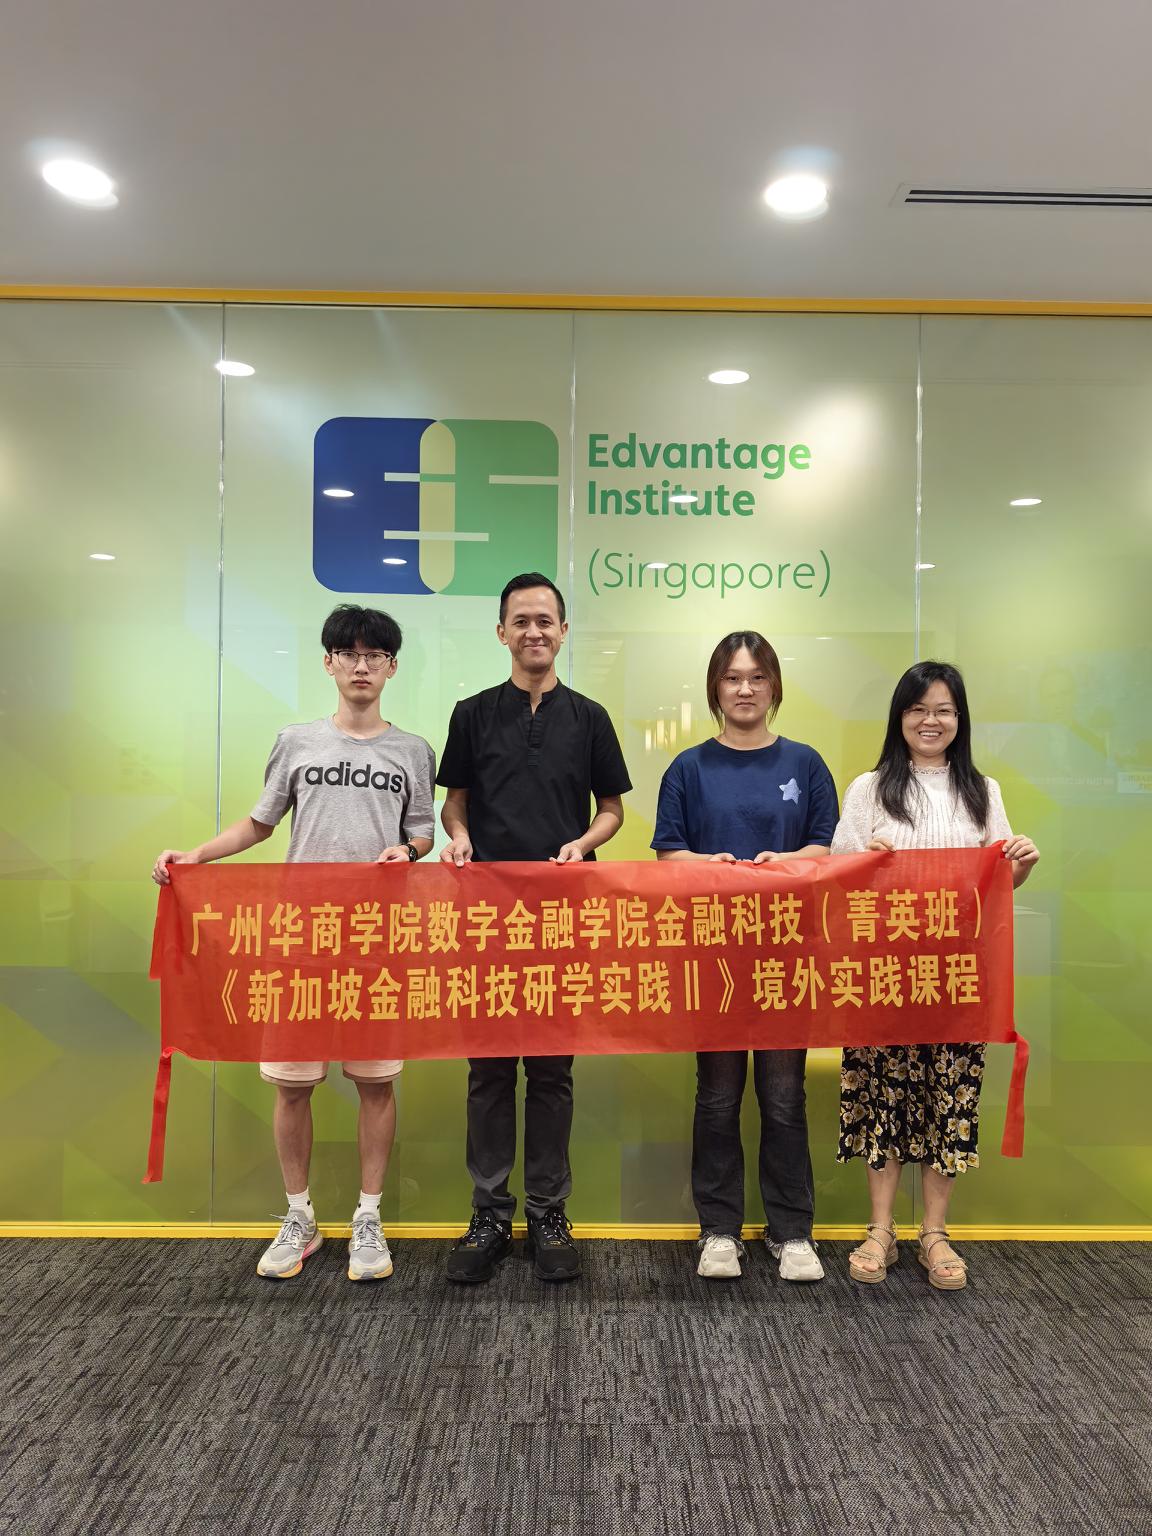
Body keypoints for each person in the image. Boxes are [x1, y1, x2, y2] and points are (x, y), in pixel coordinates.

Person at [151, 605, 435, 1282]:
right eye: (349, 653)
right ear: (329, 662)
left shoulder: (413, 751)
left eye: (375, 655)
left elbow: (423, 831)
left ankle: (369, 1217)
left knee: (376, 1083)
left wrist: (408, 851)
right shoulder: (297, 742)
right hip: (299, 939)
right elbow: (260, 823)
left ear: (392, 667)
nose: (361, 666)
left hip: (375, 942)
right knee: (292, 1085)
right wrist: (196, 856)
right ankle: (300, 1215)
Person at [437, 572, 631, 1283]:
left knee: (551, 1072)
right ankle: (489, 1213)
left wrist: (583, 843)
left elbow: (612, 809)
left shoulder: (590, 717)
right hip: (486, 918)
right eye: (520, 621)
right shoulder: (471, 714)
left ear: (563, 631)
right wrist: (458, 838)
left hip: (562, 918)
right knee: (488, 1070)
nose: (534, 632)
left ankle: (549, 1210)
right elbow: (454, 803)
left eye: (545, 620)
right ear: (502, 632)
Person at [831, 660, 1039, 1290]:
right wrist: (863, 860)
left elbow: (997, 883)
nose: (931, 721)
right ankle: (881, 1230)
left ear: (959, 719)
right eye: (918, 709)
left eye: (944, 710)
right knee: (882, 1096)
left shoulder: (983, 791)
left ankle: (935, 1233)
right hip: (883, 972)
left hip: (956, 974)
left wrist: (1022, 862)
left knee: (949, 1096)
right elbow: (838, 874)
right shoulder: (869, 788)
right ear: (900, 717)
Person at [652, 631, 838, 1283]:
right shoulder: (688, 768)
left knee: (784, 1097)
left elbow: (825, 849)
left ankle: (792, 1233)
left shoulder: (806, 764)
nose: (745, 689)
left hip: (787, 958)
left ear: (774, 686)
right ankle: (719, 1230)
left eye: (757, 677)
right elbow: (668, 855)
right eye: (732, 678)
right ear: (715, 688)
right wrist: (713, 866)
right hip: (714, 959)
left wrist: (782, 863)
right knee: (718, 1097)